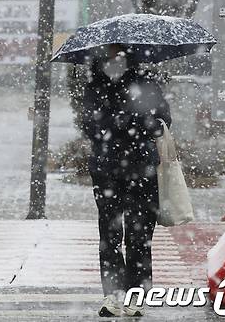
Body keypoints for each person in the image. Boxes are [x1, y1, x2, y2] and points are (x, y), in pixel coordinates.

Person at [81, 45, 171, 317]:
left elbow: (163, 121)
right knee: (109, 234)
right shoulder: (94, 85)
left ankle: (136, 295)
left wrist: (135, 120)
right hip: (107, 168)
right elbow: (90, 126)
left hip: (141, 168)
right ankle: (113, 295)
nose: (115, 56)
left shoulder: (146, 83)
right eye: (110, 52)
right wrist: (126, 121)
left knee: (140, 234)